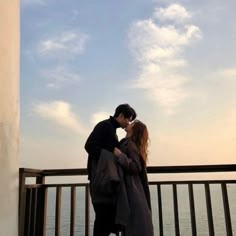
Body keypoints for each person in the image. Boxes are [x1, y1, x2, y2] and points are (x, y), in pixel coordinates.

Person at [84, 104, 137, 236]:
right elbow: (89, 146)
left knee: (105, 219)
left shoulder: (110, 129)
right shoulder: (105, 126)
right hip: (100, 180)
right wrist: (109, 153)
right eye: (128, 119)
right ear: (120, 115)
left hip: (104, 180)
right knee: (103, 218)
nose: (128, 123)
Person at [113, 120, 154, 236]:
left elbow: (136, 167)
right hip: (130, 191)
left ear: (134, 130)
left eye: (132, 123)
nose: (129, 123)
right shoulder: (127, 143)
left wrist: (120, 155)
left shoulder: (130, 145)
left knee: (133, 226)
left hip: (132, 192)